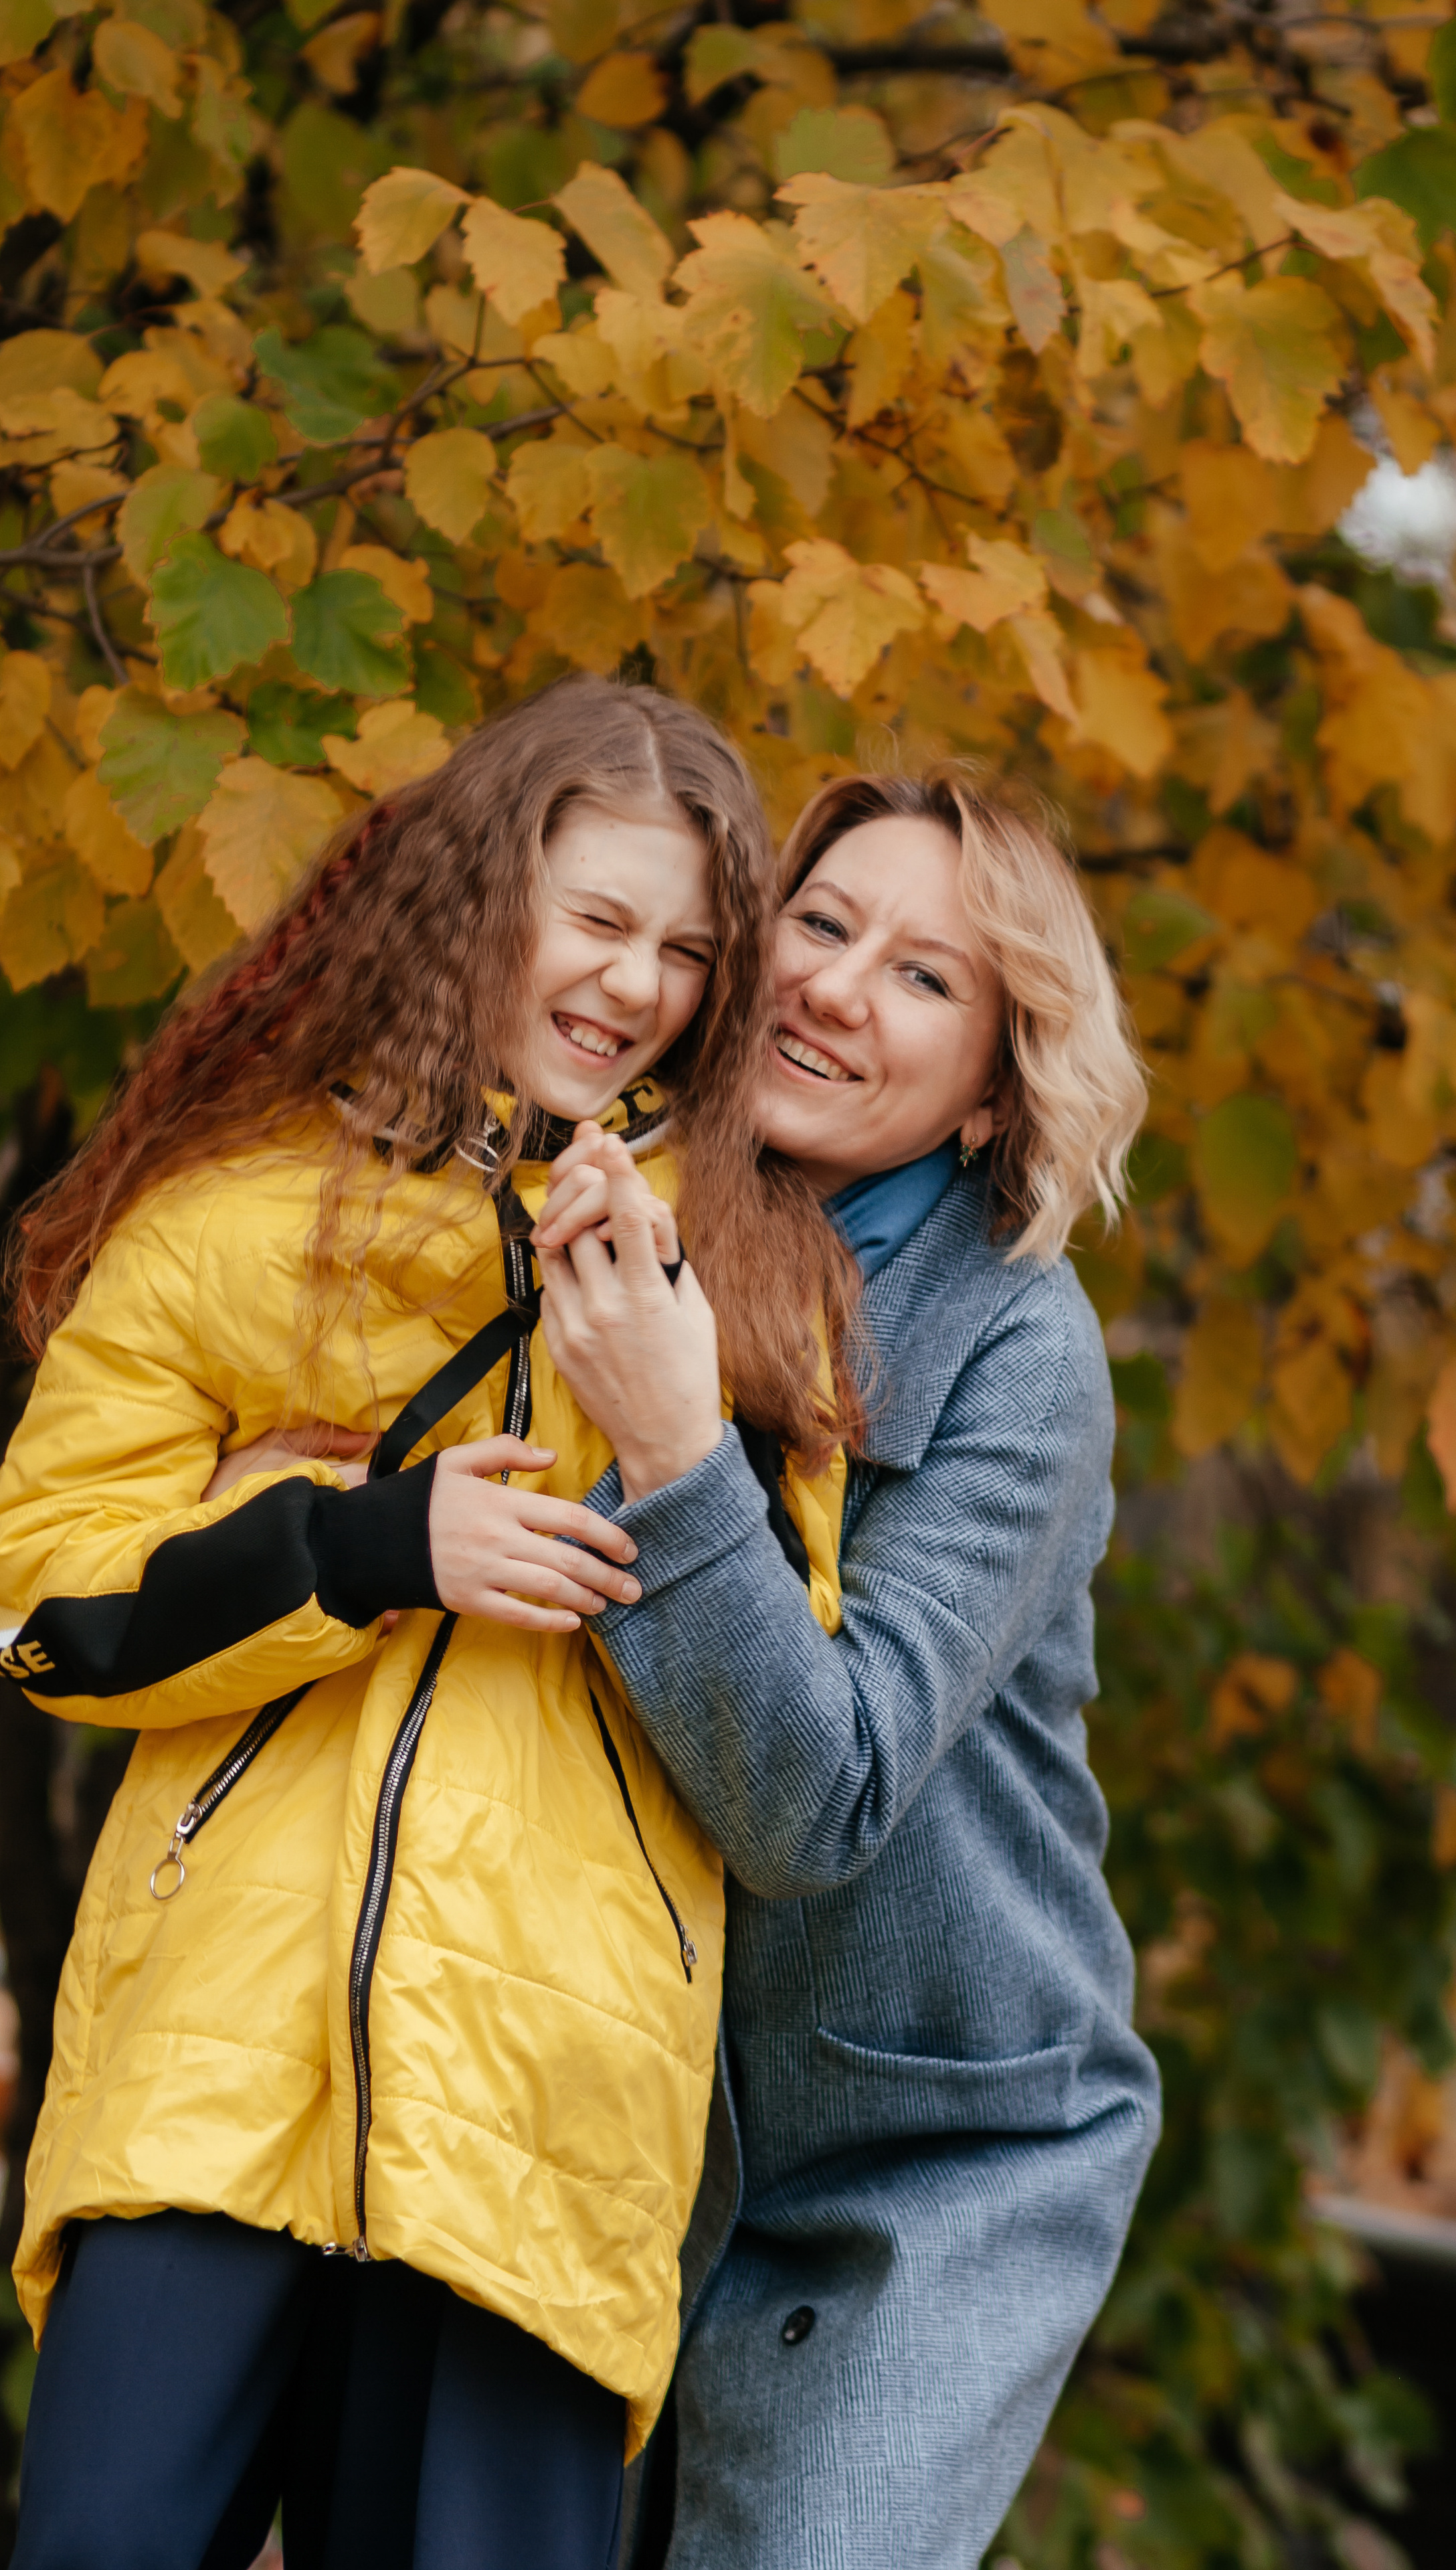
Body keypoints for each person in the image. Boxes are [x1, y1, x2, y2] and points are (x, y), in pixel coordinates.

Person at [0, 679, 853, 2570]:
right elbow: (28, 1602)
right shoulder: (236, 1215)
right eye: (600, 921)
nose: (638, 987)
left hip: (547, 2106)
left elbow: (783, 1704)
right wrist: (359, 1548)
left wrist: (659, 1400)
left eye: (690, 951)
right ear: (483, 896)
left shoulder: (755, 1274)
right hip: (208, 2072)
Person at [533, 768, 1164, 2569]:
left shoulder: (1021, 1356)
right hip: (622, 2116)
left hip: (927, 2152)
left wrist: (669, 1457)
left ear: (991, 1096)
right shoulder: (591, 1215)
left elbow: (825, 1796)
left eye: (924, 978)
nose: (833, 986)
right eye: (821, 925)